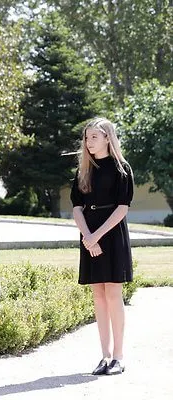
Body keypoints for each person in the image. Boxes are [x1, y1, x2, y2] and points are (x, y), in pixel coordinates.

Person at [70, 117, 134, 376]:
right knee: (98, 295)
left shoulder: (122, 168)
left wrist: (97, 236)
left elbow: (123, 208)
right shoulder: (83, 170)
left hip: (111, 233)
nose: (88, 142)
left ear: (108, 137)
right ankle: (105, 356)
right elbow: (76, 207)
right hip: (89, 234)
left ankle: (118, 356)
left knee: (113, 295)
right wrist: (88, 236)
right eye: (86, 138)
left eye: (93, 137)